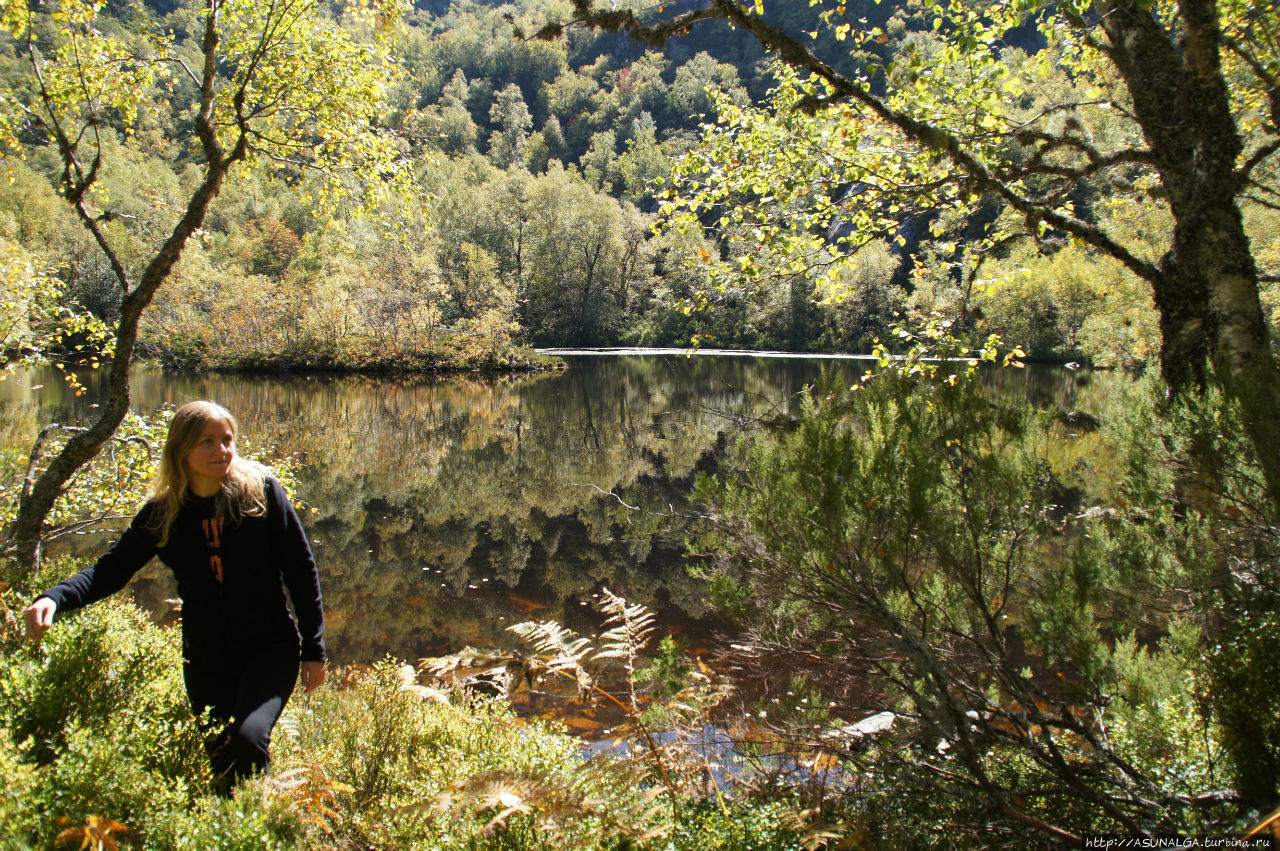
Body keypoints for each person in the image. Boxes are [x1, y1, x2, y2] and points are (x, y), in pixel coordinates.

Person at [23, 400, 327, 789]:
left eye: (227, 439)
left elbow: (301, 571)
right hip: (205, 656)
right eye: (207, 441)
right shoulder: (163, 512)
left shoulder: (261, 493)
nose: (222, 450)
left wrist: (313, 649)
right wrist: (54, 597)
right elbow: (110, 570)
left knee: (248, 741)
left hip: (270, 646)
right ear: (180, 450)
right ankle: (240, 829)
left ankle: (263, 824)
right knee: (220, 759)